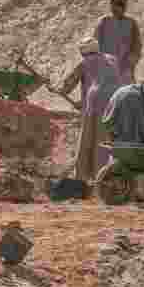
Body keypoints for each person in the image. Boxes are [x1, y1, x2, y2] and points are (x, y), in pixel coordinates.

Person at [59, 37, 123, 184]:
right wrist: (83, 102)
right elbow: (106, 81)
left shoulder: (85, 62)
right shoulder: (112, 59)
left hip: (95, 100)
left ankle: (85, 176)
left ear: (83, 52)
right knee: (107, 138)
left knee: (89, 137)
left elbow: (67, 86)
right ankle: (108, 174)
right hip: (116, 100)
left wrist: (58, 89)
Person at [100, 80, 144, 201]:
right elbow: (140, 127)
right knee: (136, 156)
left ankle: (118, 189)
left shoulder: (125, 90)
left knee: (121, 157)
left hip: (115, 133)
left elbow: (109, 118)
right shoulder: (137, 99)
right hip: (128, 137)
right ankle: (141, 193)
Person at [94, 0, 143, 84]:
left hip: (125, 65)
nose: (115, 9)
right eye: (113, 6)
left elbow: (137, 45)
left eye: (119, 6)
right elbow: (95, 41)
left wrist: (133, 59)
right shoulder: (104, 21)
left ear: (124, 8)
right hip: (106, 64)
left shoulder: (131, 23)